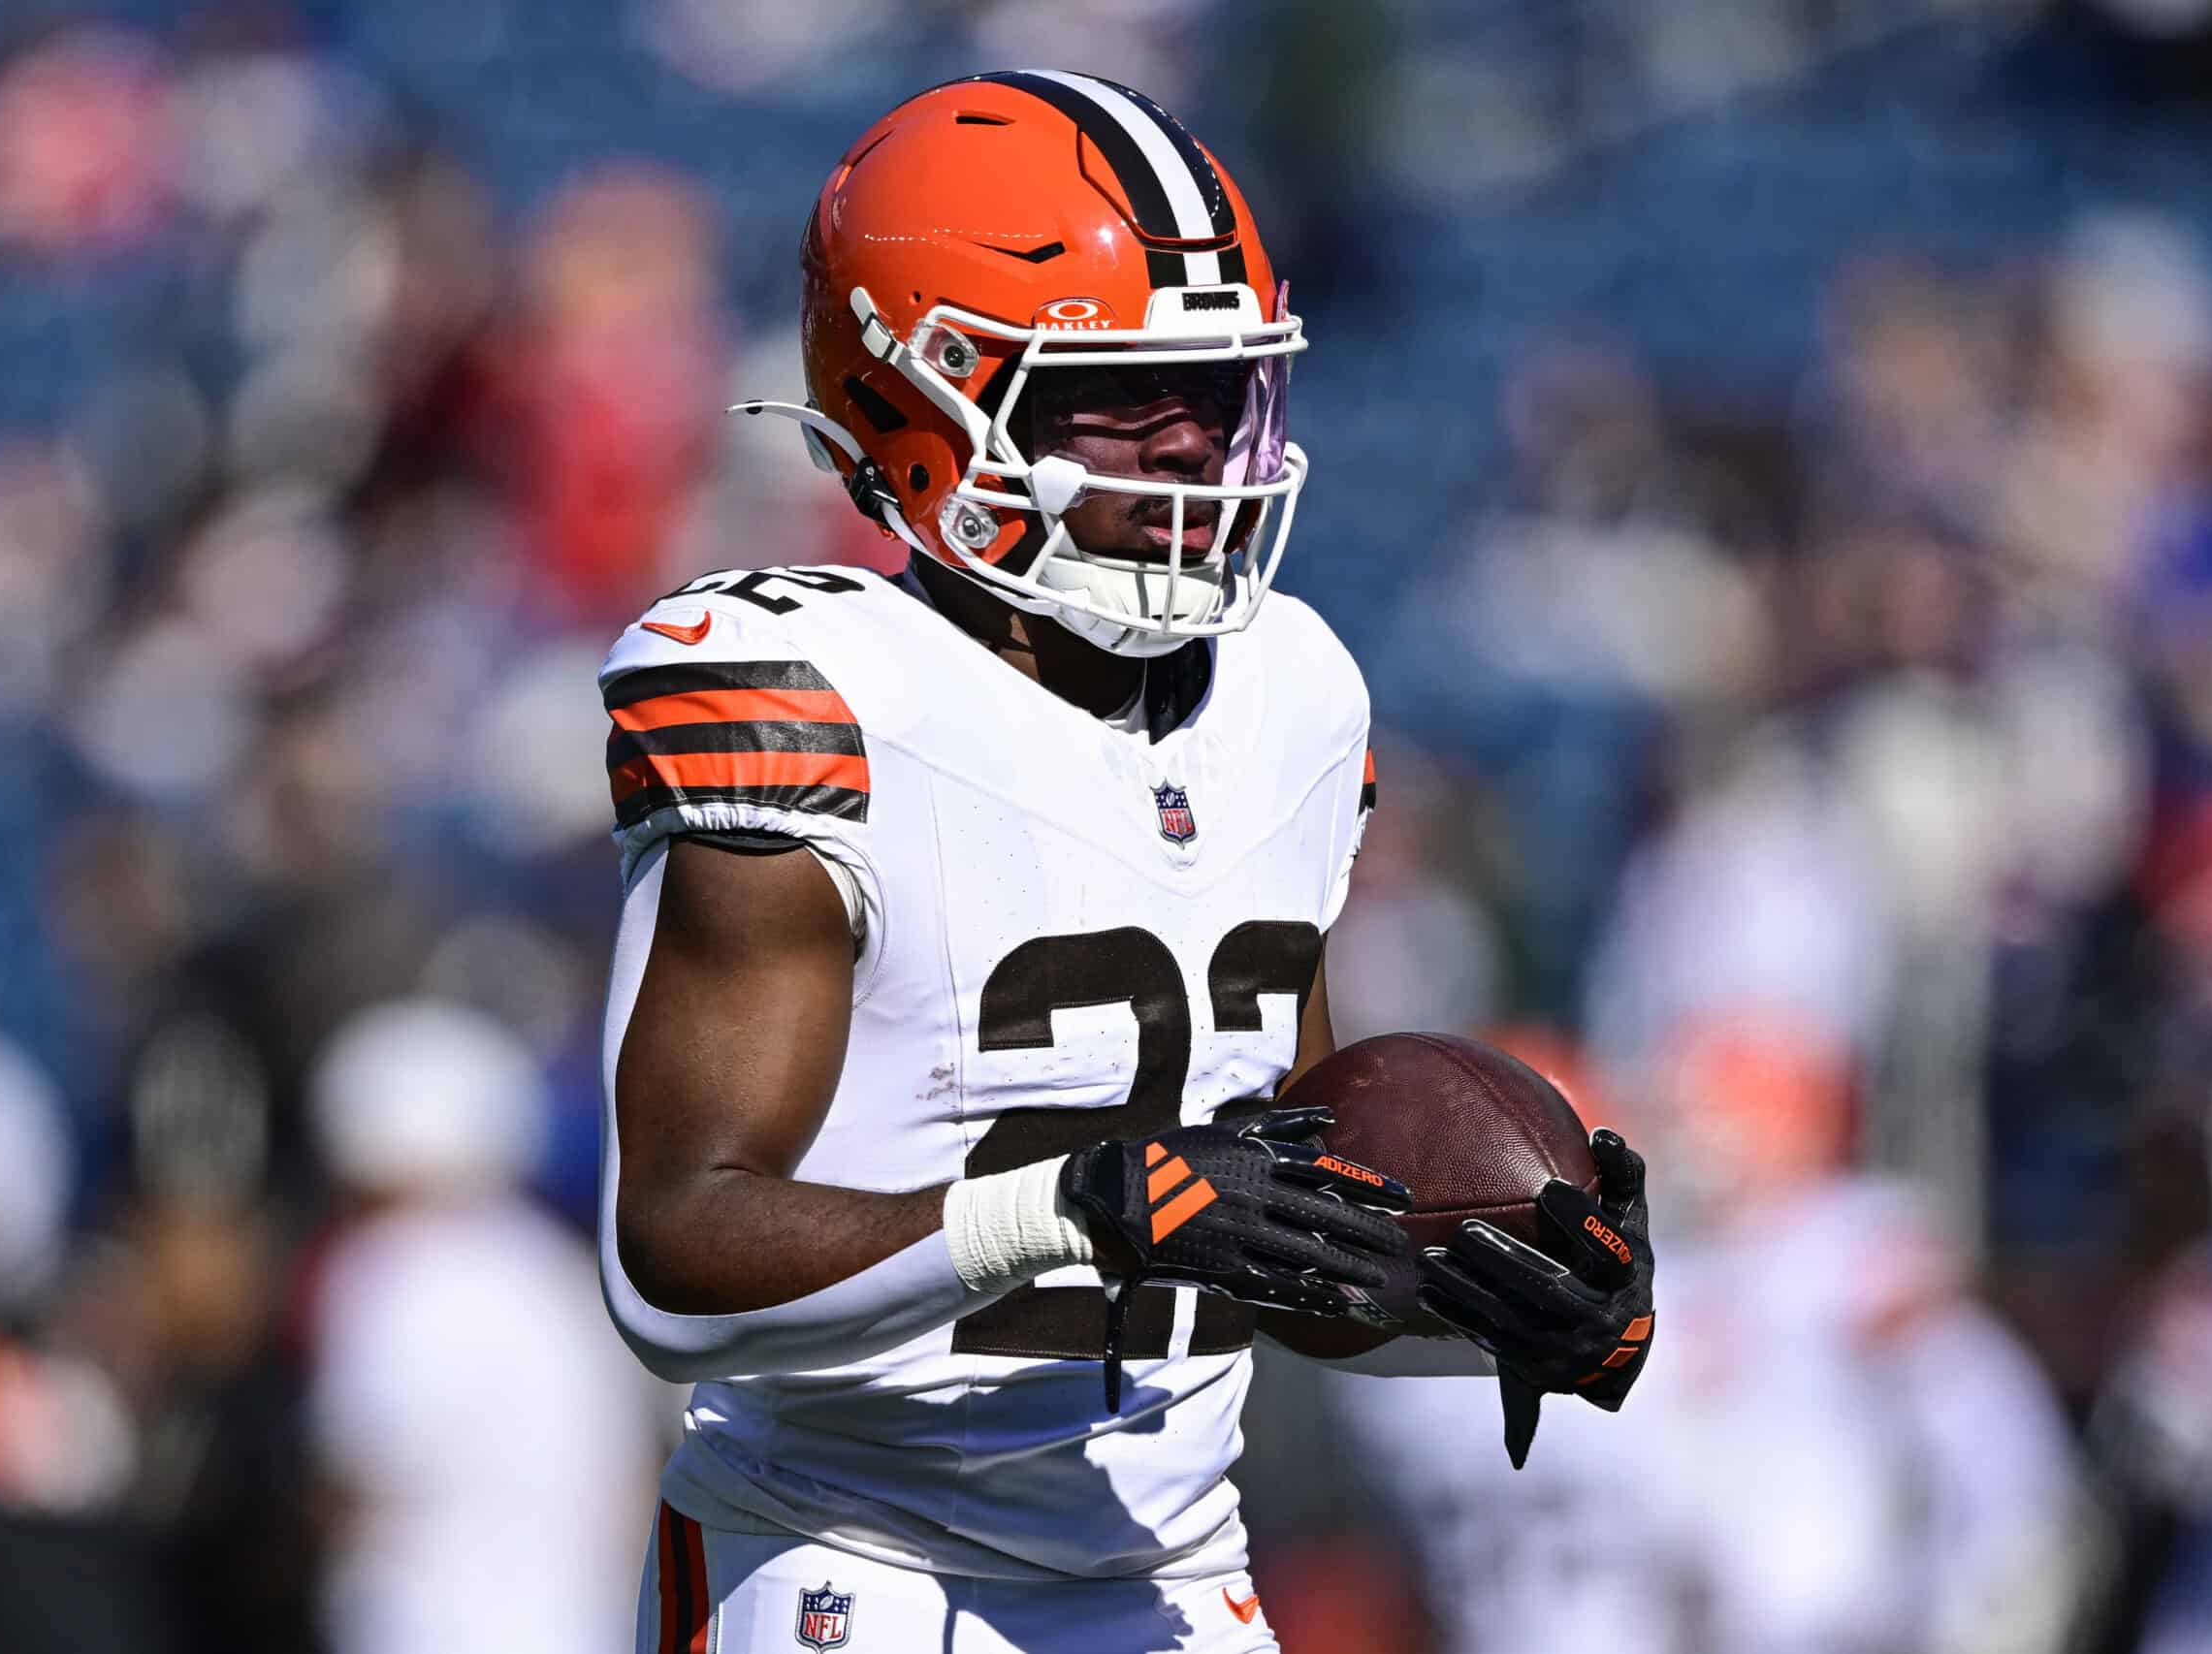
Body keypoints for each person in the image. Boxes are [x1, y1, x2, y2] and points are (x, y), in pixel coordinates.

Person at [594, 72, 1654, 1654]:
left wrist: (1500, 1291)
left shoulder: (1294, 695)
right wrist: (1068, 1207)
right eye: (1120, 396)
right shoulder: (815, 699)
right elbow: (672, 1267)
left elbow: (1275, 1235)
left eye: (1217, 390)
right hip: (853, 1564)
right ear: (927, 400)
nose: (1195, 447)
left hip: (1174, 1574)